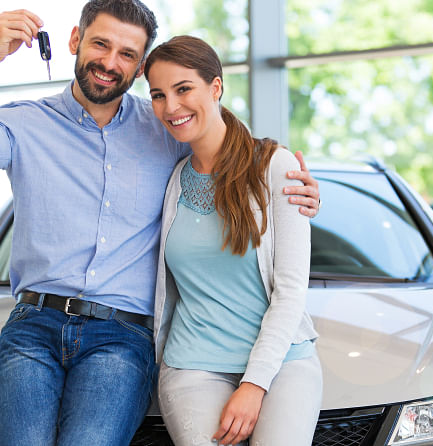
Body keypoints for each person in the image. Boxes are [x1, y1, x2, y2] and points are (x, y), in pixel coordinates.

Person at [0, 1, 320, 445]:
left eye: (127, 54)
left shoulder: (166, 127)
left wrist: (295, 188)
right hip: (33, 324)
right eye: (101, 44)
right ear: (75, 40)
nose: (110, 63)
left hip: (121, 334)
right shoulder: (24, 123)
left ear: (140, 65)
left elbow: (232, 160)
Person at [145, 35, 323, 446]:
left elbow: (291, 290)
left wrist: (254, 384)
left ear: (216, 87)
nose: (171, 107)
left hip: (283, 363)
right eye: (158, 95)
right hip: (192, 365)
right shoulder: (171, 178)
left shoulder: (274, 166)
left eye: (183, 89)